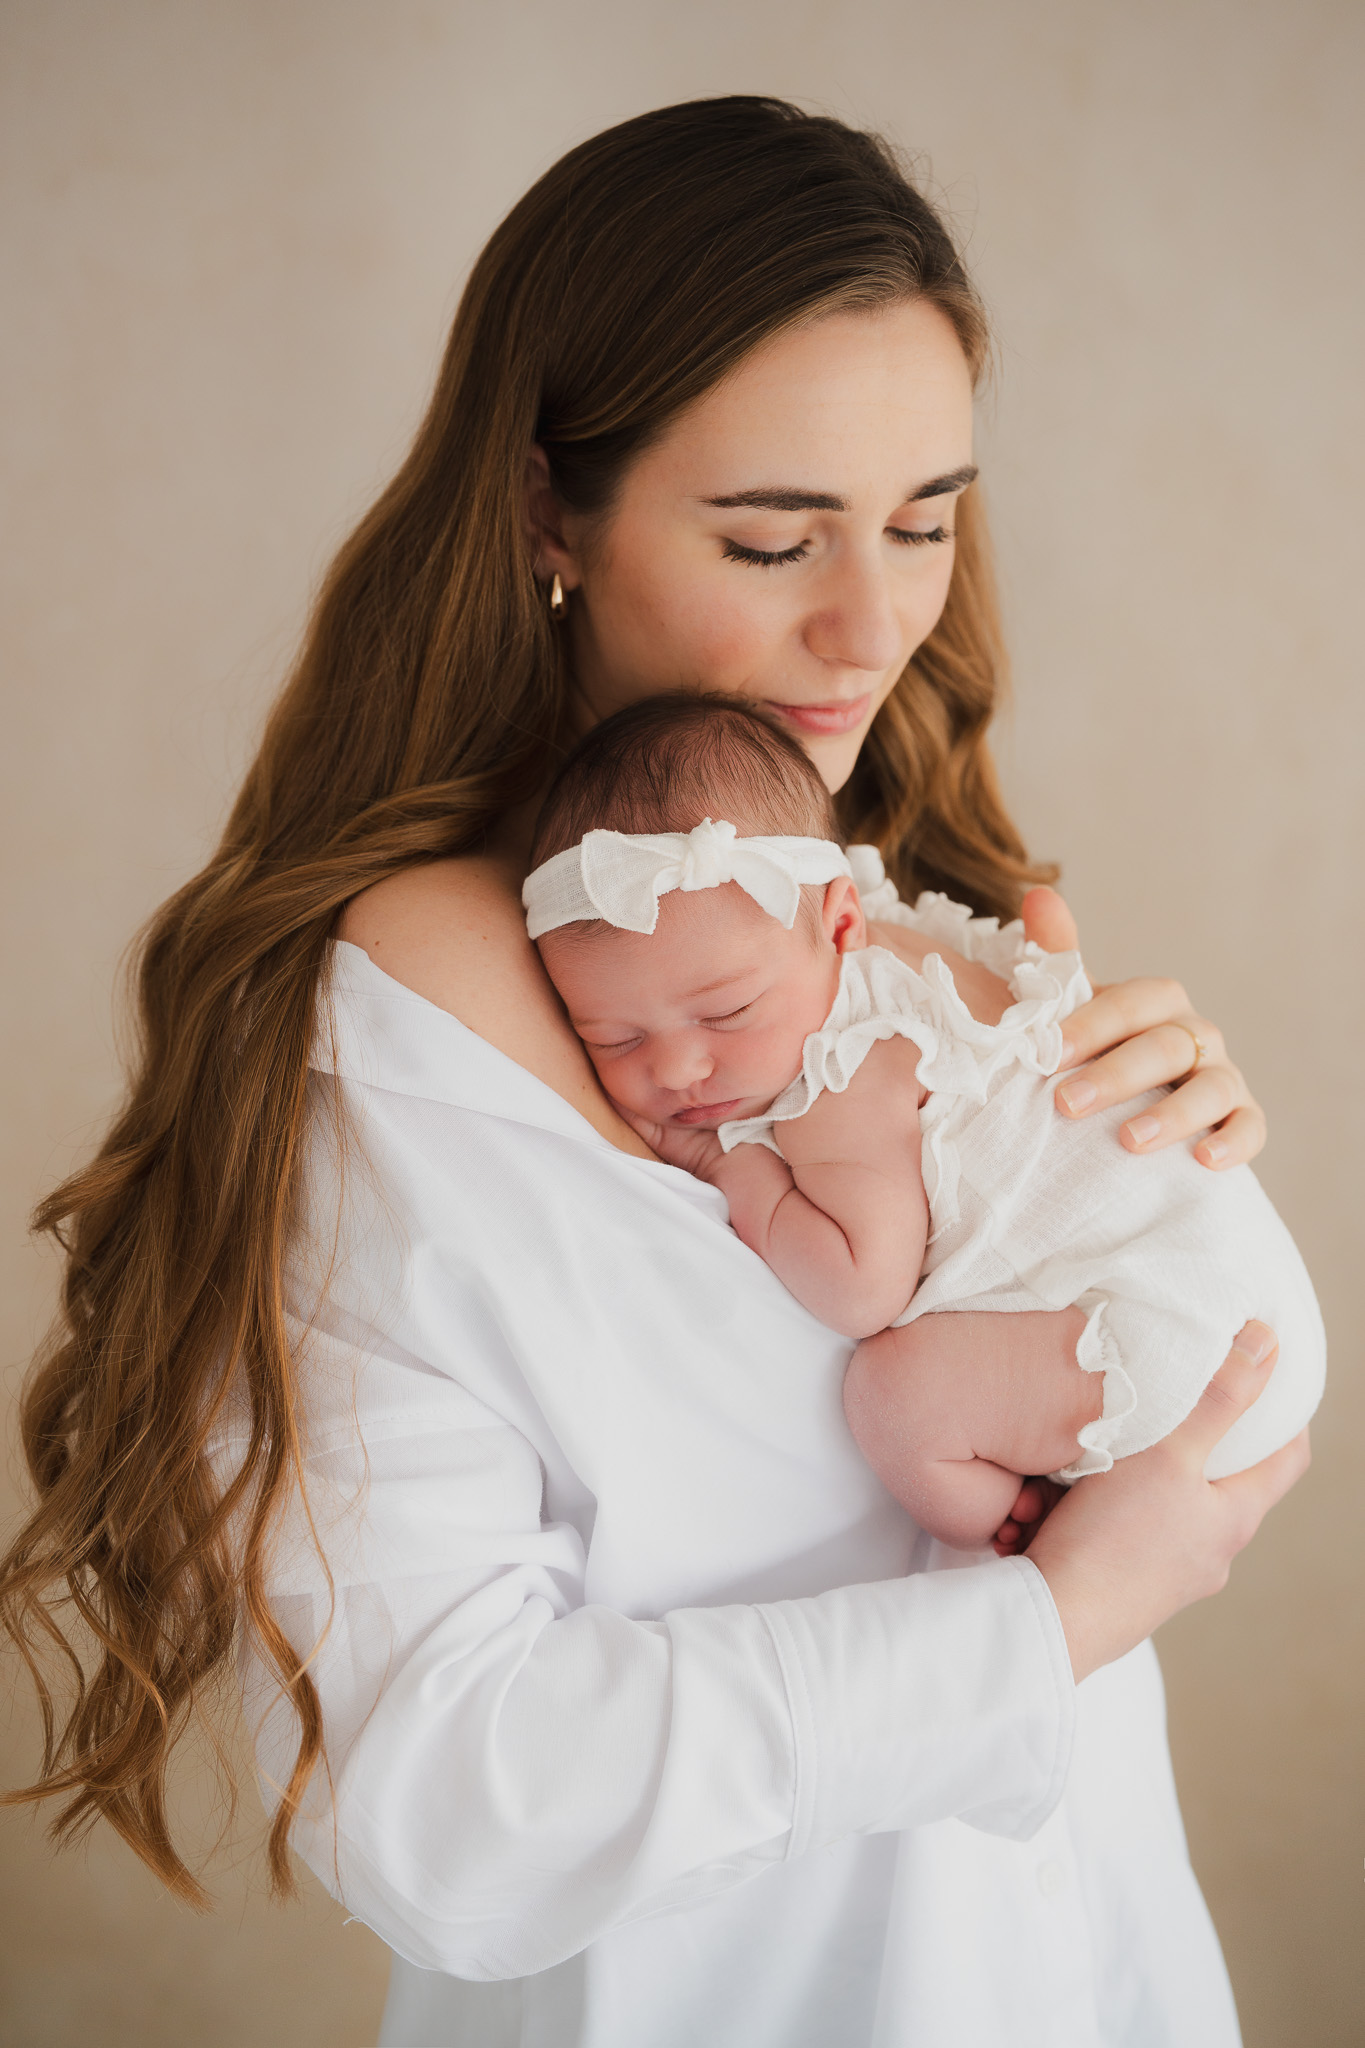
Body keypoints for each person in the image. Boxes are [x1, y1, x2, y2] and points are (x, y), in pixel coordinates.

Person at [0, 97, 1308, 2048]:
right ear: (547, 512)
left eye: (925, 520)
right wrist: (1044, 1628)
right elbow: (448, 1805)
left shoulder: (922, 912)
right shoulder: (380, 1049)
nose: (869, 625)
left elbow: (1201, 1402)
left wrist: (1167, 1166)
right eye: (771, 534)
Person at [522, 693, 1324, 1552]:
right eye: (614, 1036)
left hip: (1173, 1342)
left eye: (726, 1013)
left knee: (891, 1394)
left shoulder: (846, 1063)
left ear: (838, 925)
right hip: (1242, 1299)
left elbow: (860, 1288)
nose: (677, 1070)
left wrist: (731, 1170)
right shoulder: (892, 945)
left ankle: (1006, 1528)